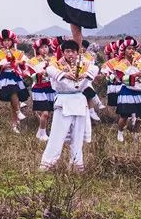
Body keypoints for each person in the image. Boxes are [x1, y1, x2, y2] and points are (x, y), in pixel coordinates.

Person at [39, 39, 99, 172]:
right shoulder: (56, 64)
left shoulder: (83, 64)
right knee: (57, 135)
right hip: (63, 101)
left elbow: (95, 68)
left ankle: (77, 165)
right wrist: (64, 74)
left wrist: (85, 74)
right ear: (63, 53)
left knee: (77, 138)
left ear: (77, 53)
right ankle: (47, 165)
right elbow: (49, 70)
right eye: (67, 51)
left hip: (79, 100)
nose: (70, 54)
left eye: (73, 51)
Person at [114, 37, 141, 142]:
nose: (131, 51)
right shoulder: (121, 65)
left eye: (133, 49)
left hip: (139, 90)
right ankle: (120, 132)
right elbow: (121, 79)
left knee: (140, 114)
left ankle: (136, 134)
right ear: (124, 50)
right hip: (127, 90)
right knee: (125, 114)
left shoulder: (139, 64)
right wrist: (135, 75)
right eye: (129, 48)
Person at [0, 30, 30, 133]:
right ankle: (18, 112)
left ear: (12, 41)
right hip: (5, 77)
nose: (7, 42)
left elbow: (25, 64)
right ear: (2, 42)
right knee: (13, 92)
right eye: (5, 40)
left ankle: (14, 124)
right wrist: (3, 66)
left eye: (8, 40)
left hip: (16, 76)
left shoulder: (18, 52)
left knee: (14, 100)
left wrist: (19, 63)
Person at [27, 38, 55, 141]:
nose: (44, 49)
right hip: (39, 88)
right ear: (37, 49)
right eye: (41, 47)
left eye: (46, 47)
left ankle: (41, 132)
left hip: (51, 88)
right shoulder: (32, 61)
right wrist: (40, 74)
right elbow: (31, 76)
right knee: (45, 113)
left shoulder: (53, 60)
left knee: (48, 113)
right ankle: (43, 133)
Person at [100, 41, 121, 109]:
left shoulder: (121, 61)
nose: (114, 54)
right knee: (115, 103)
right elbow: (105, 73)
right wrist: (110, 76)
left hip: (121, 84)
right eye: (111, 52)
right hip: (112, 84)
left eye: (116, 52)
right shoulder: (108, 63)